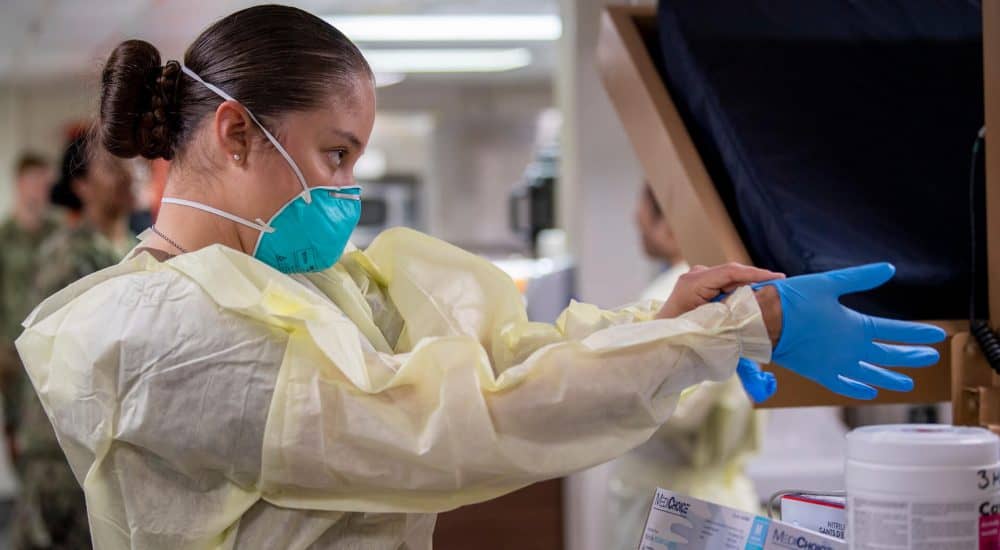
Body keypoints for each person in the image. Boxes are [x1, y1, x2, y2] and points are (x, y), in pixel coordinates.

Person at [13, 6, 944, 549]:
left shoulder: (309, 287)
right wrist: (724, 336)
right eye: (334, 155)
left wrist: (663, 319)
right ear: (235, 133)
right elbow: (448, 426)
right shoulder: (156, 337)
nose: (345, 191)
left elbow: (498, 358)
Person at [605, 185, 763, 550]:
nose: (635, 218)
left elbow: (670, 408)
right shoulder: (733, 290)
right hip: (709, 496)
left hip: (677, 507)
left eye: (643, 209)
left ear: (669, 223)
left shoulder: (673, 296)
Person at [9, 136, 136, 550]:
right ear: (82, 185)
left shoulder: (140, 252)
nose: (127, 175)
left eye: (129, 164)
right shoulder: (65, 256)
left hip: (119, 446)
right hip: (62, 452)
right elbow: (45, 360)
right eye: (111, 167)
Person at [0, 153, 59, 455]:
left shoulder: (60, 231)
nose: (40, 188)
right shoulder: (5, 236)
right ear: (20, 183)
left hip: (51, 344)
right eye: (34, 180)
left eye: (45, 182)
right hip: (12, 349)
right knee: (16, 429)